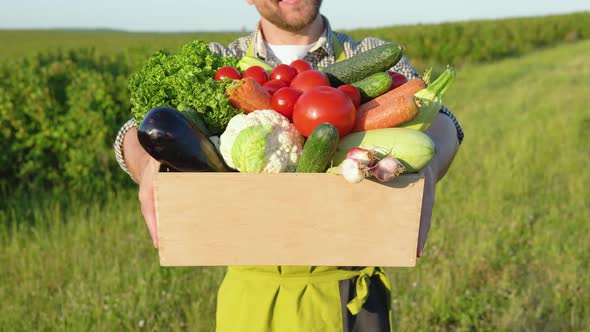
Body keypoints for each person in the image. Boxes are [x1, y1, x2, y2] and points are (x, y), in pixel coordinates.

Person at [113, 0, 464, 330]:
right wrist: (148, 167)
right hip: (251, 297)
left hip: (351, 299)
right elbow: (135, 128)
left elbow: (442, 116)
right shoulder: (224, 60)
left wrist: (428, 168)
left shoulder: (370, 53)